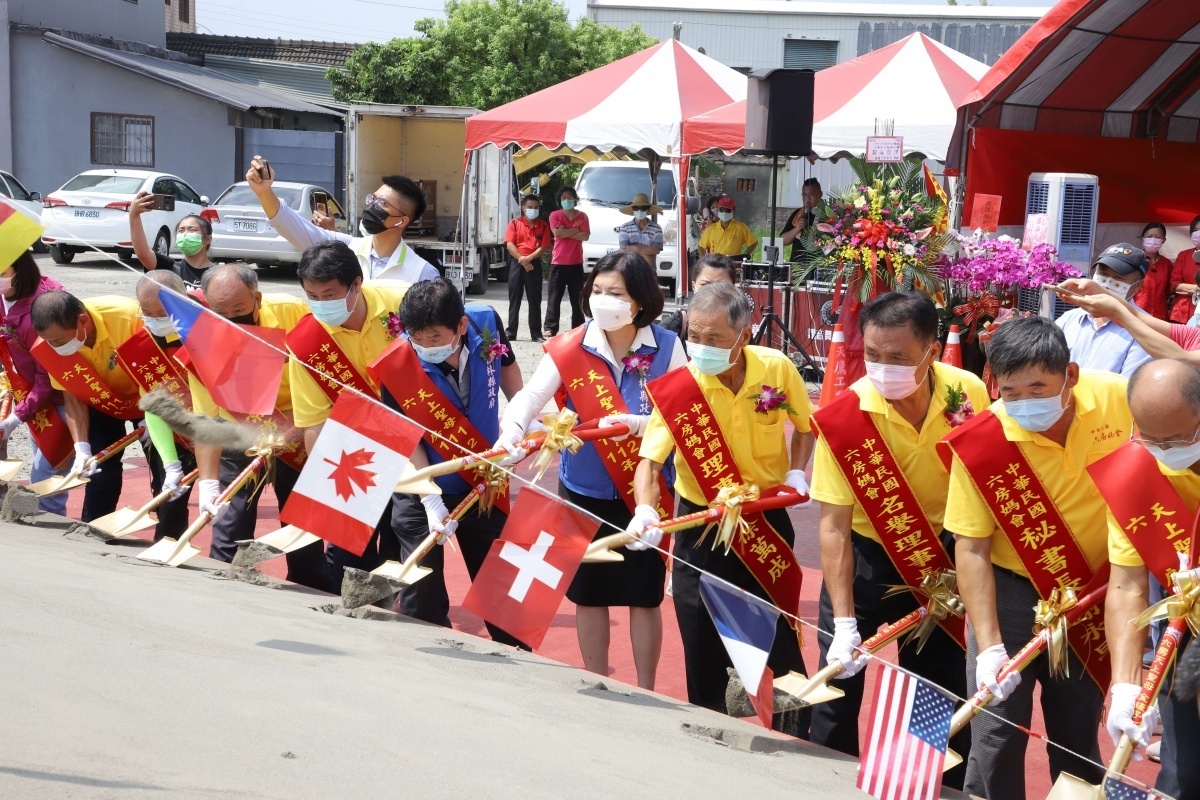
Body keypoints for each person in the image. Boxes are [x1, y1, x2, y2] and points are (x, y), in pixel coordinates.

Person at [941, 317, 1127, 800]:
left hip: (1092, 589)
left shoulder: (1121, 398)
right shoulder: (984, 442)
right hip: (1010, 587)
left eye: (1037, 388)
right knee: (997, 729)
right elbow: (972, 548)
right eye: (1010, 391)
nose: (1024, 402)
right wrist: (989, 647)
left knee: (1077, 728)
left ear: (1072, 376)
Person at [807, 291, 984, 788]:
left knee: (937, 684)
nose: (884, 369)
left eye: (899, 358)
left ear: (931, 350)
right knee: (838, 682)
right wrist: (843, 622)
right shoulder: (848, 418)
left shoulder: (967, 391)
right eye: (874, 355)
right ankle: (821, 783)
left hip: (938, 557)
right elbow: (833, 527)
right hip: (863, 557)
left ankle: (933, 785)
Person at [499, 251, 685, 689]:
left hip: (643, 493)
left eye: (615, 293)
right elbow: (529, 397)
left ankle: (646, 687)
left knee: (644, 596)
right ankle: (597, 682)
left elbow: (684, 414)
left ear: (639, 300)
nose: (604, 300)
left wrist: (638, 425)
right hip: (582, 487)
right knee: (589, 592)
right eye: (597, 291)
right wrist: (511, 430)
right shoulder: (570, 345)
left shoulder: (669, 347)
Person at [634, 282, 814, 736]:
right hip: (701, 527)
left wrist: (796, 471)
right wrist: (645, 510)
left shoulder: (778, 368)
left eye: (714, 339)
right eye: (694, 335)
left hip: (764, 521)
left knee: (779, 639)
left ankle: (795, 736)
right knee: (701, 641)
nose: (701, 347)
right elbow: (649, 462)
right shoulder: (680, 389)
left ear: (745, 335)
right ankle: (709, 733)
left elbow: (805, 427)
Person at [374, 278, 526, 646]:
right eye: (418, 339)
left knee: (503, 596)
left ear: (460, 326)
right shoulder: (395, 366)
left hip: (483, 481)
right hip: (422, 487)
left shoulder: (485, 321)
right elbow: (407, 439)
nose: (426, 347)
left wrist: (521, 420)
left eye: (435, 339)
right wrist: (429, 498)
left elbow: (507, 368)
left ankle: (522, 667)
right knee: (420, 603)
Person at [1092, 359, 1200, 800]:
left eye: (1175, 439)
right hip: (1183, 629)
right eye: (1149, 437)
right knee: (1182, 769)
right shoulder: (1136, 474)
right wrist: (1126, 686)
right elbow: (1127, 586)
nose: (1162, 449)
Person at [187, 265, 327, 591]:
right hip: (240, 425)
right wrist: (208, 484)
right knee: (229, 516)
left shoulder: (294, 313)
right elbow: (207, 422)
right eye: (220, 312)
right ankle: (227, 583)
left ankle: (309, 588)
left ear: (257, 299)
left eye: (239, 310)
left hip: (298, 425)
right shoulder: (200, 342)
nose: (232, 318)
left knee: (300, 518)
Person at [286, 241, 409, 583]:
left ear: (356, 284)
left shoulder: (402, 302)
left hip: (415, 440)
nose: (321, 304)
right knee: (350, 552)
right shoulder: (308, 344)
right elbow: (314, 423)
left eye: (329, 294)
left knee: (400, 535)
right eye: (313, 295)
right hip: (357, 449)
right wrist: (327, 491)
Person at [244, 155, 439, 284]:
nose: (373, 206)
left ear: (401, 221)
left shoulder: (422, 273)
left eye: (383, 204)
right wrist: (264, 192)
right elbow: (291, 226)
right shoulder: (346, 249)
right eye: (373, 199)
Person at [118, 270, 198, 540]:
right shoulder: (144, 345)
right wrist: (171, 463)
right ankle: (166, 541)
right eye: (147, 313)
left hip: (219, 425)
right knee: (168, 488)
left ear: (182, 301)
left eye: (162, 314)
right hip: (172, 428)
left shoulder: (209, 327)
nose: (154, 321)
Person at [0, 251, 71, 515]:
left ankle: (48, 535)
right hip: (30, 394)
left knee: (46, 474)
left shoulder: (42, 311)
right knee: (39, 462)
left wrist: (16, 418)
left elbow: (48, 378)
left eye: (2, 273)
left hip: (63, 398)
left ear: (20, 271)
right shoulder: (5, 298)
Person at [1055, 243, 1152, 377]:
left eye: (1118, 278)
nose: (1107, 282)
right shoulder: (1068, 319)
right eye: (1103, 274)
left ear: (1138, 285)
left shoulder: (1144, 331)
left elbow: (1127, 387)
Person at [128, 192, 215, 289]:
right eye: (181, 230)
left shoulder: (219, 275)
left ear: (207, 239)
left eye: (192, 230)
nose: (185, 234)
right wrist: (134, 216)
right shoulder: (170, 267)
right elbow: (142, 253)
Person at [659, 253, 739, 350]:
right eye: (705, 285)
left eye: (721, 286)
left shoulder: (739, 328)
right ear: (694, 287)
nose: (712, 292)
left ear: (733, 289)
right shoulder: (671, 330)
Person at [544, 186, 590, 337]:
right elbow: (557, 232)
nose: (566, 200)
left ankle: (577, 328)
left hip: (576, 263)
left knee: (577, 298)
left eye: (569, 197)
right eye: (563, 198)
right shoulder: (555, 215)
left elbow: (585, 236)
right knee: (554, 298)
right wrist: (575, 231)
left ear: (575, 199)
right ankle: (551, 327)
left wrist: (566, 231)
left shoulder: (582, 216)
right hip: (558, 263)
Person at [504, 194, 551, 342]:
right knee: (514, 298)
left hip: (533, 265)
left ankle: (536, 333)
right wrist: (522, 260)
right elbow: (510, 245)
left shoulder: (543, 225)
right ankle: (511, 332)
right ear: (523, 208)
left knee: (534, 299)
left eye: (536, 207)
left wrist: (529, 259)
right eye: (530, 207)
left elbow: (544, 246)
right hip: (517, 264)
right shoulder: (514, 224)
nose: (533, 210)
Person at [1131, 222, 1173, 320]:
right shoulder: (1133, 260)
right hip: (1136, 313)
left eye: (1158, 237)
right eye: (1149, 236)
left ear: (1163, 240)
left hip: (1160, 315)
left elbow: (1168, 291)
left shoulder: (1167, 264)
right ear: (1143, 238)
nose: (1153, 240)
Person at [617, 193, 664, 268]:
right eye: (636, 208)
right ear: (633, 210)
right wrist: (646, 257)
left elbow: (656, 249)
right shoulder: (625, 227)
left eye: (643, 208)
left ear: (648, 210)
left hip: (650, 271)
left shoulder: (656, 228)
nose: (639, 211)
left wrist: (635, 248)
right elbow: (624, 249)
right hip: (630, 269)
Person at [1168, 214, 1200, 324]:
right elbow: (1175, 285)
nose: (1198, 233)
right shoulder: (1184, 255)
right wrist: (1197, 289)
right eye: (1195, 230)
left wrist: (1189, 289)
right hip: (1183, 312)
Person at [781, 178, 822, 262]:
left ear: (820, 194)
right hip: (797, 267)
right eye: (804, 195)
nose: (807, 198)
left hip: (818, 267)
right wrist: (797, 229)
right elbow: (783, 241)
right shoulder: (798, 214)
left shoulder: (827, 215)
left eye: (811, 195)